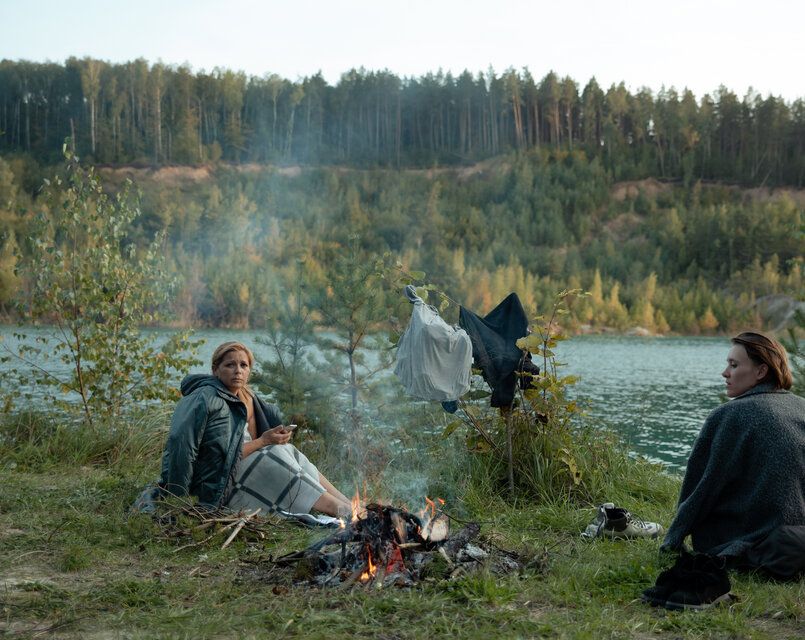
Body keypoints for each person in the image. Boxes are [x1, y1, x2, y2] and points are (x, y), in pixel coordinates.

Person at [662, 331, 805, 578]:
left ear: (761, 371)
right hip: (797, 537)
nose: (725, 373)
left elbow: (702, 489)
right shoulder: (802, 406)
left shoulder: (730, 415)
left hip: (745, 539)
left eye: (734, 365)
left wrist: (672, 540)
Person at [158, 341, 355, 518]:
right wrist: (178, 498)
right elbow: (182, 447)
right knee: (273, 454)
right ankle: (338, 509)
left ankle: (349, 504)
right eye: (230, 365)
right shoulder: (203, 397)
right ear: (215, 369)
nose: (238, 371)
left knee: (288, 450)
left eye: (243, 365)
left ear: (249, 371)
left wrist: (274, 437)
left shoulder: (246, 398)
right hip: (213, 484)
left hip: (233, 472)